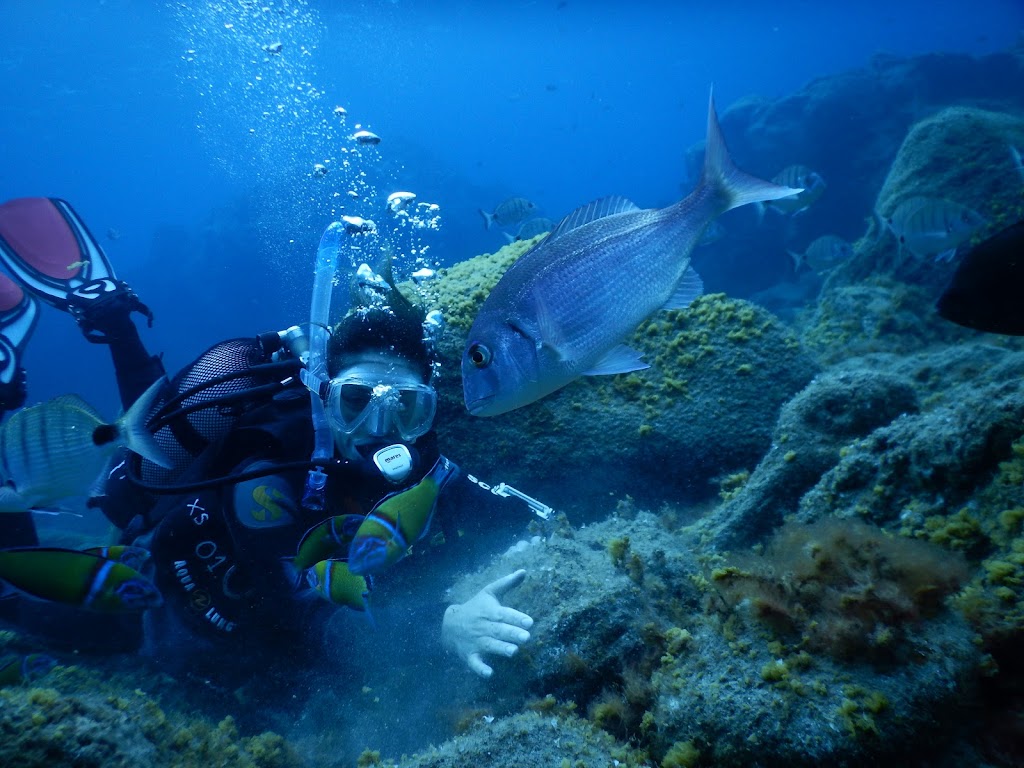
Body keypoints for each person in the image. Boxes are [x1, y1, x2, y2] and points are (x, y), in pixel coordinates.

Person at [0, 196, 533, 681]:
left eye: (407, 407)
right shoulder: (267, 470)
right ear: (323, 396)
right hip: (163, 606)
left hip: (265, 643)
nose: (380, 429)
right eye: (356, 400)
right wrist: (442, 625)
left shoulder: (422, 464)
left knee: (140, 426)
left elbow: (493, 513)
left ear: (428, 412)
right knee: (15, 598)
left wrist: (534, 542)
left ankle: (116, 324)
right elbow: (305, 614)